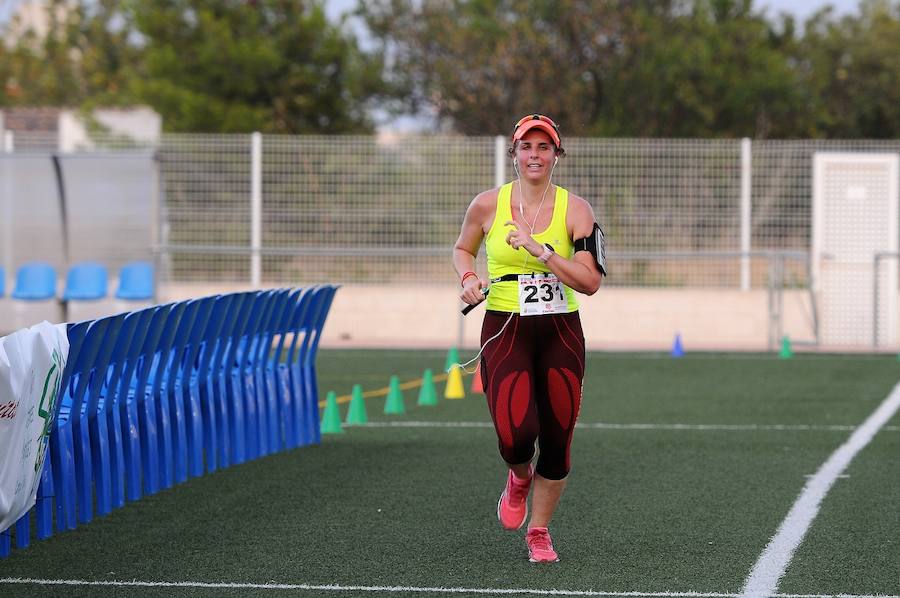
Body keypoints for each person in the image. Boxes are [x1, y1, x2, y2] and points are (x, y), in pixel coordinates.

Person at [452, 114, 605, 563]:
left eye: (544, 147)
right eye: (526, 147)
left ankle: (539, 530)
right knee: (515, 434)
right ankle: (518, 477)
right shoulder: (486, 205)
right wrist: (467, 276)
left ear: (557, 155)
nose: (534, 155)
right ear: (514, 154)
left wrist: (542, 251)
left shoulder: (576, 210)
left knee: (558, 439)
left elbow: (590, 281)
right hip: (505, 327)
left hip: (560, 332)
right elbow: (463, 248)